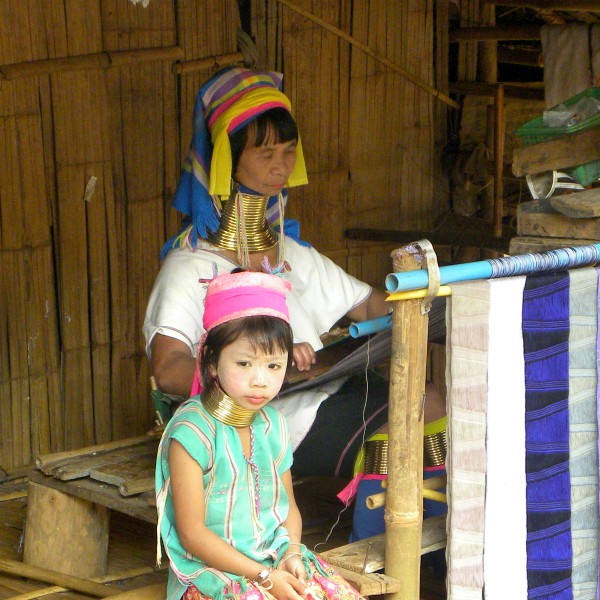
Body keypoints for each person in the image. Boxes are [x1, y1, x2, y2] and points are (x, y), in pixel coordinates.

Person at [143, 66, 446, 542]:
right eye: (266, 153)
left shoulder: (292, 255)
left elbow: (370, 306)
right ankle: (382, 550)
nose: (281, 166)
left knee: (430, 400)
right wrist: (248, 375)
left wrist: (435, 296)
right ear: (225, 162)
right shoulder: (191, 267)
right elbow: (168, 368)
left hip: (327, 394)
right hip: (263, 420)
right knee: (407, 413)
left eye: (287, 153)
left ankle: (416, 547)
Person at [155, 270, 363, 600]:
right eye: (244, 364)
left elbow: (288, 509)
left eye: (273, 366)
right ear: (211, 362)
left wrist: (292, 554)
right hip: (215, 574)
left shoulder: (273, 426)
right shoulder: (191, 433)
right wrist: (264, 577)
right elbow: (192, 534)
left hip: (275, 560)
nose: (260, 381)